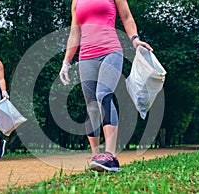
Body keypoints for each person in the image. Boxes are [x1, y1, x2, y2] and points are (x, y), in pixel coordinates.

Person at [59, 0, 153, 172]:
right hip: (86, 56)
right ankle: (96, 157)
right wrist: (66, 62)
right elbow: (75, 32)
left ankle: (110, 156)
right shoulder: (76, 1)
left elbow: (126, 16)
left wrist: (135, 39)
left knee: (103, 95)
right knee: (92, 106)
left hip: (110, 51)